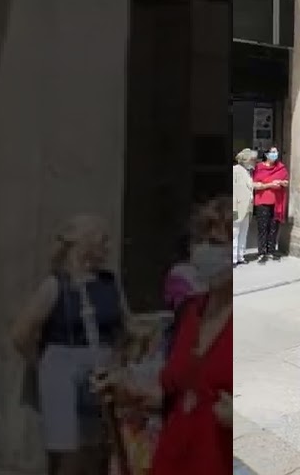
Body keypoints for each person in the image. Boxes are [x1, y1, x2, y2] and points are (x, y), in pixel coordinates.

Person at [95, 199, 232, 475]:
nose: (204, 251)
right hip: (174, 457)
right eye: (200, 241)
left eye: (216, 243)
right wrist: (128, 390)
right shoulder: (192, 311)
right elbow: (178, 393)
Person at [11, 215, 129, 475]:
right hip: (63, 365)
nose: (107, 247)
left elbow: (124, 326)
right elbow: (21, 333)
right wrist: (41, 363)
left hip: (103, 365)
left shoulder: (110, 283)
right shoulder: (55, 286)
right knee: (68, 452)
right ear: (83, 243)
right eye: (102, 240)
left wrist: (119, 359)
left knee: (102, 445)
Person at [251, 145, 290, 263]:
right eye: (272, 152)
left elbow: (287, 182)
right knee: (263, 227)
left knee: (274, 227)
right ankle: (262, 252)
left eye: (276, 152)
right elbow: (255, 185)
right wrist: (269, 185)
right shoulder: (259, 167)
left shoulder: (281, 167)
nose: (275, 154)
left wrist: (282, 182)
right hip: (263, 201)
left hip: (277, 202)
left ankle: (271, 250)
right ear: (266, 154)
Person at [231, 149, 257, 266]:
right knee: (234, 233)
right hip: (237, 207)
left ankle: (240, 256)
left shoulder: (248, 171)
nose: (254, 161)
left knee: (244, 232)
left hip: (247, 208)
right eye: (252, 159)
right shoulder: (235, 170)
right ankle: (233, 258)